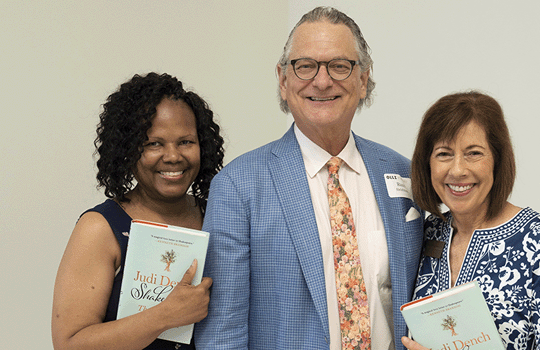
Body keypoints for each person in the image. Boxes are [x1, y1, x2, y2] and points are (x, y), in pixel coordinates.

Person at [195, 6, 423, 350]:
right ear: (283, 80)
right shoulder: (238, 187)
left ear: (363, 79)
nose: (322, 80)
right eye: (305, 66)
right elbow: (222, 335)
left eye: (339, 66)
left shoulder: (403, 172)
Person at [51, 72, 225, 350]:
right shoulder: (100, 228)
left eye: (186, 142)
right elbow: (70, 344)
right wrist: (164, 316)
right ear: (127, 149)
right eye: (153, 143)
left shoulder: (219, 215)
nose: (172, 156)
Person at [401, 91, 540, 350]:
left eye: (474, 153)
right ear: (427, 163)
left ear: (497, 161)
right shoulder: (424, 232)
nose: (457, 170)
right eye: (443, 153)